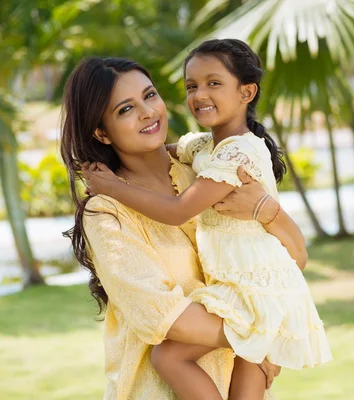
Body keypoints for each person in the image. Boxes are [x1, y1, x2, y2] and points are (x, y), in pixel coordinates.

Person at [84, 38, 333, 399]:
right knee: (170, 357)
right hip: (156, 389)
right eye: (125, 109)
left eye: (150, 96)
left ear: (246, 92)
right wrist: (256, 336)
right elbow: (163, 318)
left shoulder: (206, 172)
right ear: (101, 131)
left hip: (247, 315)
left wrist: (268, 210)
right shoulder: (108, 211)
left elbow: (296, 255)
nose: (148, 113)